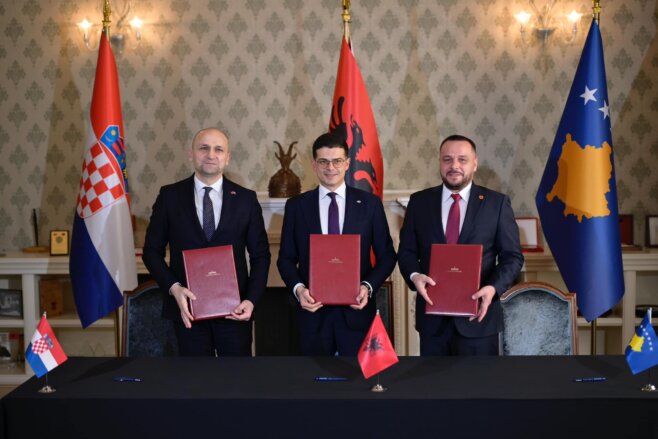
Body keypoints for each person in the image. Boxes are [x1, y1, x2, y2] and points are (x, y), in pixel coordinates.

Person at [142, 127, 271, 356]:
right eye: (204, 148)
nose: (211, 155)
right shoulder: (170, 197)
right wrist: (174, 288)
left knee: (237, 377)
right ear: (191, 154)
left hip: (235, 310)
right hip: (187, 311)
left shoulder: (246, 199)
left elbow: (260, 256)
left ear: (227, 157)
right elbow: (151, 251)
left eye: (218, 149)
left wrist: (251, 300)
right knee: (193, 377)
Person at [397, 134, 524, 356]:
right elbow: (406, 251)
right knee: (432, 380)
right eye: (447, 159)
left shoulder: (496, 204)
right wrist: (415, 276)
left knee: (477, 381)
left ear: (475, 164)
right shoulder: (419, 202)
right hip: (433, 324)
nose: (454, 166)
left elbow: (512, 257)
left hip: (479, 320)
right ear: (439, 162)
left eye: (462, 160)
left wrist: (493, 288)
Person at [277, 131, 397, 356]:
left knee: (356, 377)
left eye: (337, 161)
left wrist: (367, 287)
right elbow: (285, 259)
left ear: (347, 163)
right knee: (312, 377)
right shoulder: (296, 206)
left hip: (357, 312)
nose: (330, 167)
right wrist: (299, 290)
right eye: (323, 161)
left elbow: (388, 256)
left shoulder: (370, 204)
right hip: (312, 313)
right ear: (314, 164)